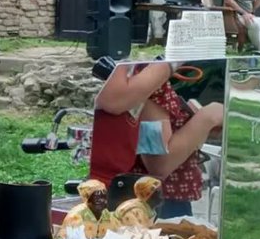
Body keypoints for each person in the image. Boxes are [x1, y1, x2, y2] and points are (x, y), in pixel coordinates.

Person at [89, 59, 223, 216]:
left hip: (148, 199)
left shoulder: (144, 83)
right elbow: (159, 164)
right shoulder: (149, 86)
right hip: (157, 204)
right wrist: (207, 118)